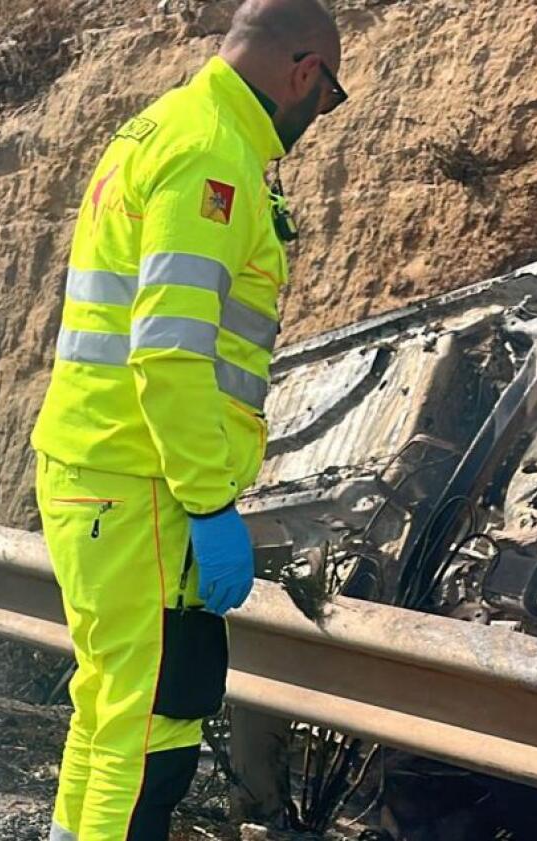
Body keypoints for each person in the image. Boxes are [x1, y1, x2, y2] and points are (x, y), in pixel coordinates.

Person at [29, 1, 345, 838]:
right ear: (304, 73)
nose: (321, 114)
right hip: (146, 486)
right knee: (152, 738)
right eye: (329, 96)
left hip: (99, 468)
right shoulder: (214, 155)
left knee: (110, 715)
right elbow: (169, 351)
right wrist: (208, 501)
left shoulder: (162, 125)